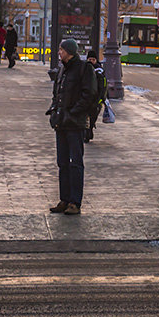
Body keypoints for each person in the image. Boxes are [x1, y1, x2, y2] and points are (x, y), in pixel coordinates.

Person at [45, 38, 96, 215]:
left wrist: (73, 112)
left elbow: (89, 94)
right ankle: (64, 199)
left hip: (75, 123)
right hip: (61, 123)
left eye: (62, 50)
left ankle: (75, 202)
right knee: (62, 163)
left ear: (70, 51)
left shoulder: (83, 68)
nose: (59, 52)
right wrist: (54, 111)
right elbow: (56, 93)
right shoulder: (61, 70)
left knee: (76, 163)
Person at [84, 49, 106, 143]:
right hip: (86, 98)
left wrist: (100, 99)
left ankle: (90, 130)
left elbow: (103, 87)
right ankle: (87, 133)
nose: (91, 61)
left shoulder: (99, 71)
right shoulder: (84, 69)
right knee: (86, 117)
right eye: (89, 59)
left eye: (93, 59)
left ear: (96, 60)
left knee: (92, 118)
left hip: (96, 100)